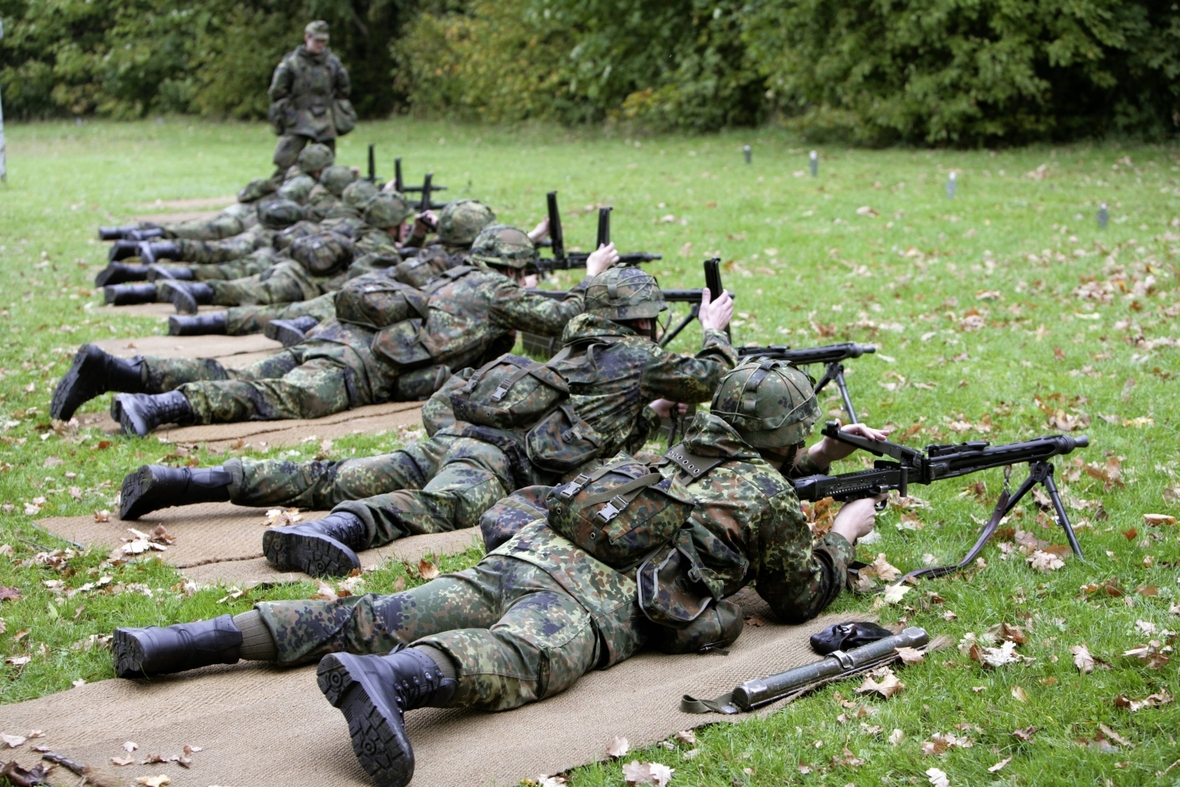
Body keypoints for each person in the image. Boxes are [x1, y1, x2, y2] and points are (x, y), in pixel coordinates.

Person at [109, 359, 886, 787]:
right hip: (585, 600)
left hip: (527, 551)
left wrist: (817, 462)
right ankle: (395, 682)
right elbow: (799, 595)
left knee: (380, 608)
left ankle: (184, 640)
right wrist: (846, 535)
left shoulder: (670, 445)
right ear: (782, 435)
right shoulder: (771, 500)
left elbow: (742, 474)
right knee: (521, 658)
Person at [114, 264, 736, 578]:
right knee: (431, 508)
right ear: (646, 320)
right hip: (498, 464)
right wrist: (715, 334)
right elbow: (713, 380)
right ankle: (340, 531)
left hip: (463, 436)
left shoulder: (579, 334)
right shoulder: (639, 358)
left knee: (335, 472)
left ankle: (192, 482)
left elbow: (603, 399)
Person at [268, 21, 352, 180]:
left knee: (325, 167)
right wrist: (289, 112)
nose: (320, 44)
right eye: (317, 40)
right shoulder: (291, 63)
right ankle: (277, 199)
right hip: (297, 119)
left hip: (324, 121)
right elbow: (277, 92)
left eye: (323, 41)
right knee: (285, 164)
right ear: (307, 38)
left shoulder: (332, 63)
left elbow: (344, 89)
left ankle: (322, 199)